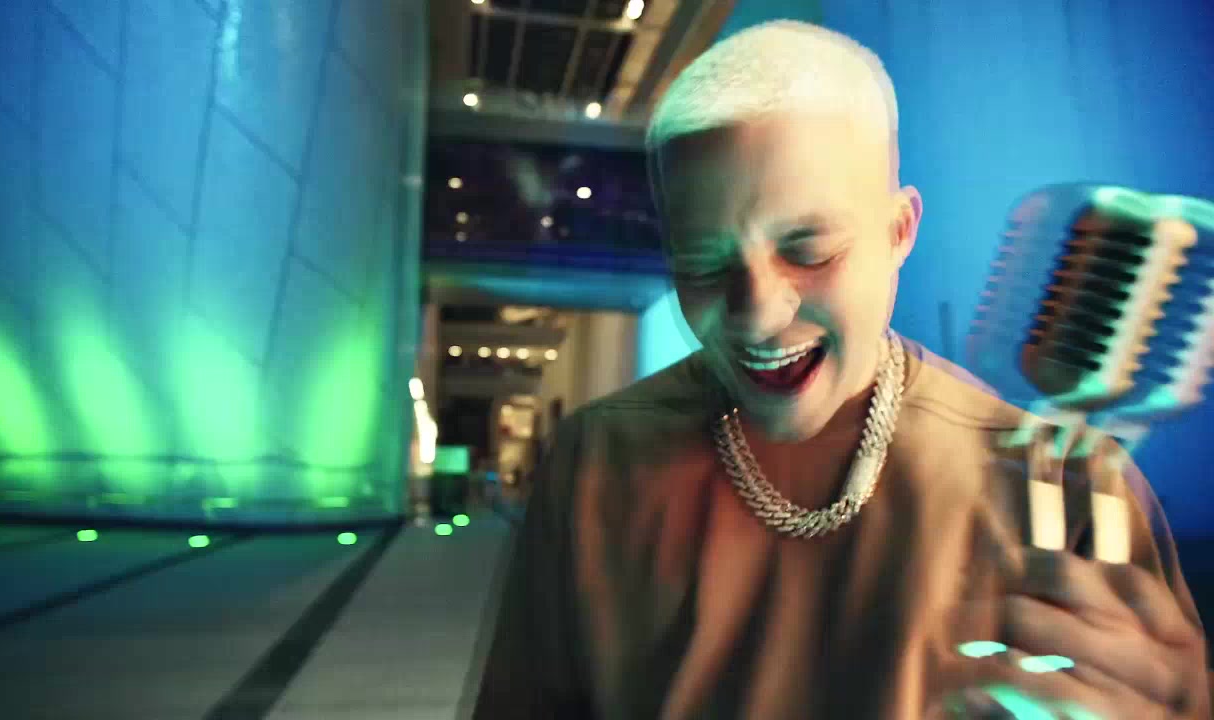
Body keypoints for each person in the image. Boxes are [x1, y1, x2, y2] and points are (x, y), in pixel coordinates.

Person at [469, 21, 1209, 720]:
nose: (756, 315)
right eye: (701, 264)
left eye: (810, 251)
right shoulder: (596, 460)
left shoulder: (1072, 486)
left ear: (900, 231)